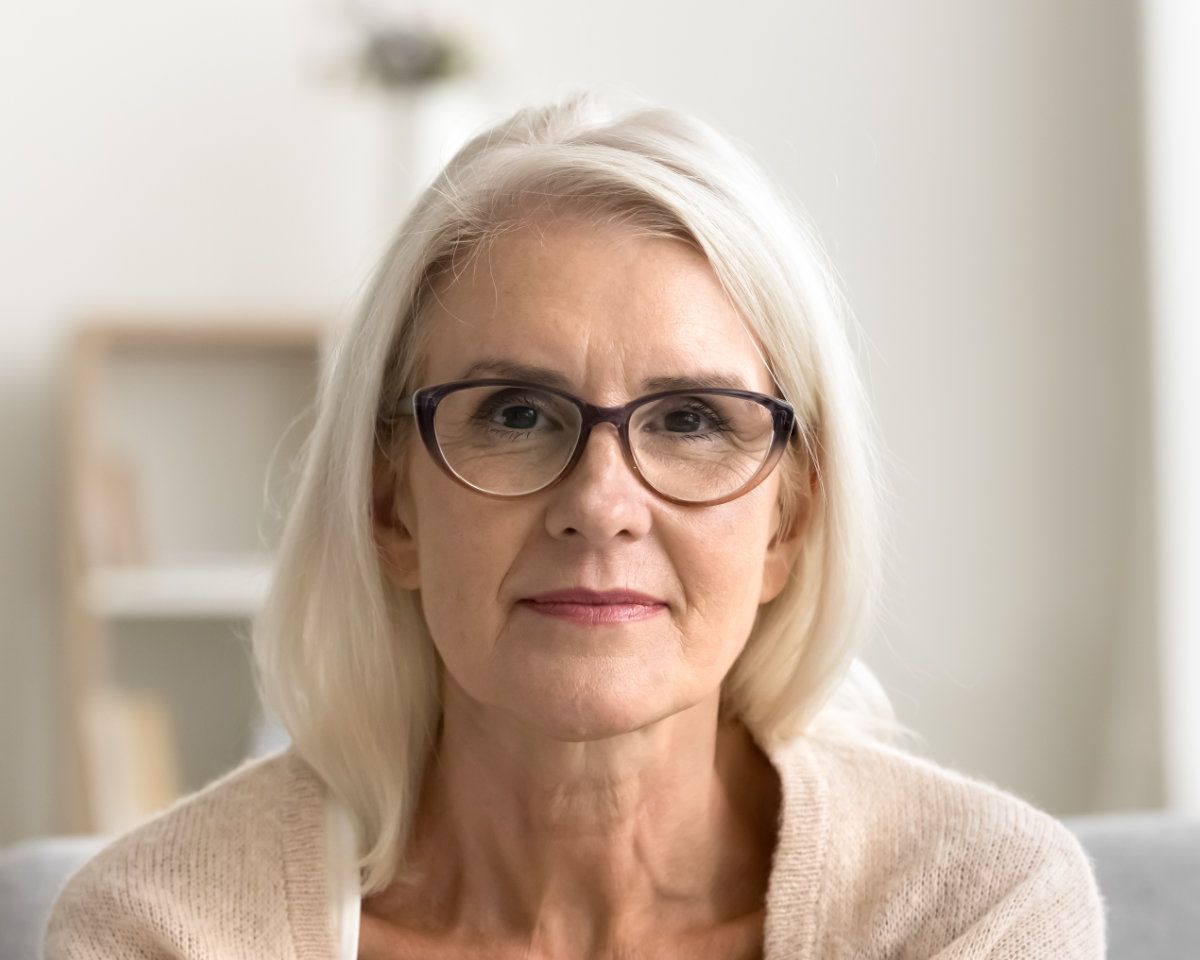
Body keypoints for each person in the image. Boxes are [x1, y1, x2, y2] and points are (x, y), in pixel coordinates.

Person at [44, 91, 1106, 959]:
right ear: (388, 503)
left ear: (790, 517)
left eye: (691, 419)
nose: (601, 503)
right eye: (516, 414)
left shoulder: (974, 908)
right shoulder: (162, 931)